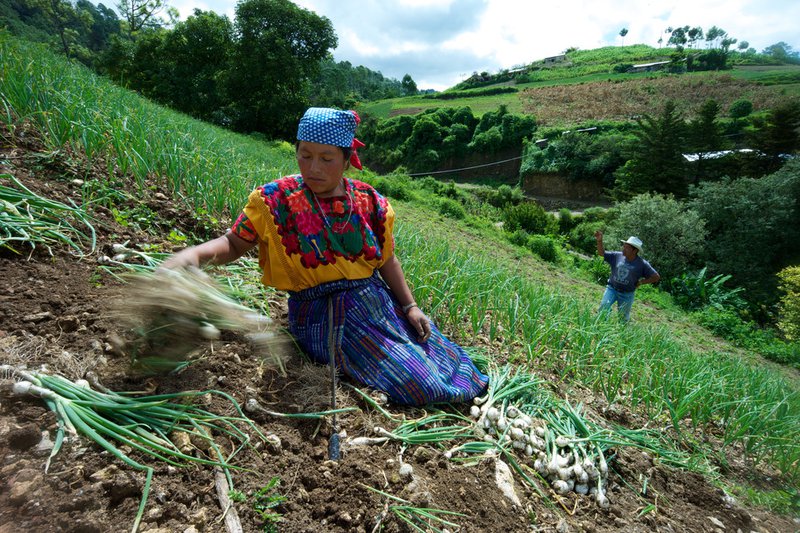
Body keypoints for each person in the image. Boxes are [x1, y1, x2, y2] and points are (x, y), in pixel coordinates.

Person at [162, 107, 488, 406]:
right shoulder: (274, 200)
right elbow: (233, 244)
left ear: (347, 160)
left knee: (445, 356)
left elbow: (387, 260)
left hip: (376, 303)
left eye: (326, 159)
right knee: (423, 384)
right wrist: (193, 254)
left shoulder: (369, 202)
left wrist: (410, 306)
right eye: (305, 155)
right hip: (321, 314)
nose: (313, 168)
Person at [594, 231, 660, 322]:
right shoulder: (617, 256)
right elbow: (602, 253)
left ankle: (621, 334)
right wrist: (599, 241)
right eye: (624, 246)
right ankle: (600, 328)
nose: (623, 249)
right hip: (612, 289)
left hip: (626, 294)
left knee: (623, 318)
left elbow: (656, 276)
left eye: (627, 248)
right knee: (603, 307)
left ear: (635, 251)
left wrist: (641, 282)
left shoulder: (642, 264)